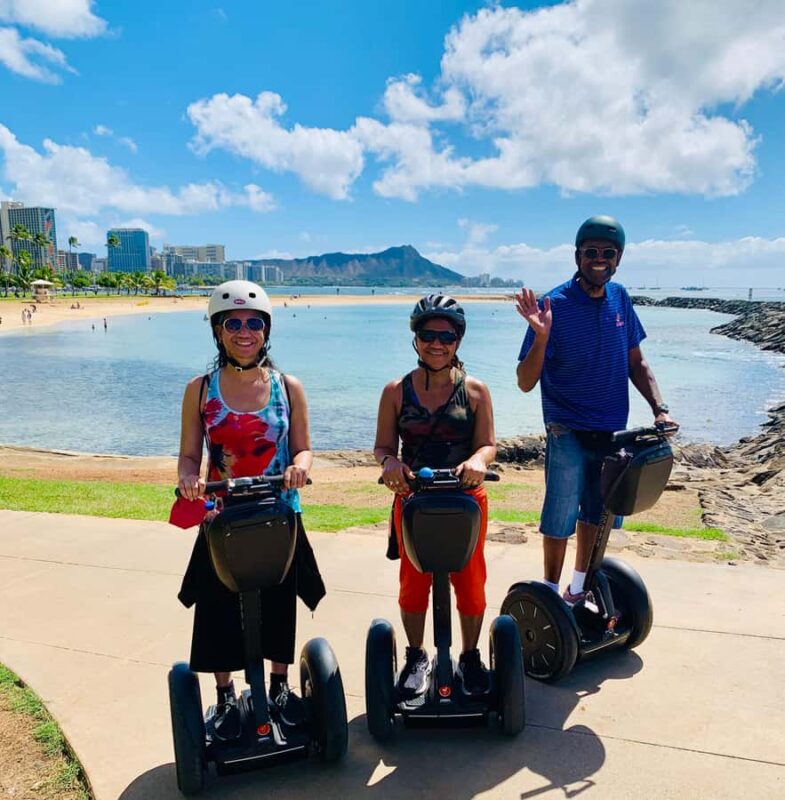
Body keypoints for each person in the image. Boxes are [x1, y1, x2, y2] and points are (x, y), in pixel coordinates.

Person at [173, 279, 325, 740]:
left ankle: (279, 688)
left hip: (278, 513)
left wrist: (299, 468)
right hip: (222, 517)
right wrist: (187, 479)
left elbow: (303, 449)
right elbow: (187, 454)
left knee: (279, 602)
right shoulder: (200, 391)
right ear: (218, 330)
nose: (245, 332)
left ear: (266, 329)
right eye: (233, 323)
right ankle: (223, 697)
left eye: (254, 323)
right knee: (218, 605)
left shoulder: (288, 386)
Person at [515, 215, 678, 604]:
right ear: (577, 256)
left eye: (608, 253)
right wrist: (541, 337)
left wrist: (660, 408)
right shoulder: (552, 305)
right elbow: (524, 381)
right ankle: (551, 594)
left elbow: (636, 362)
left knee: (597, 514)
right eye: (591, 252)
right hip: (566, 428)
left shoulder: (621, 298)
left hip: (611, 431)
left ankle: (578, 588)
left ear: (618, 258)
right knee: (560, 516)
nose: (599, 259)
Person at [374, 295, 497, 697]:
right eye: (428, 335)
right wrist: (390, 464)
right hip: (414, 499)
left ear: (458, 340)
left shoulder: (476, 391)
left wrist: (478, 461)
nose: (437, 343)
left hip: (466, 498)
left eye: (446, 336)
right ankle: (415, 656)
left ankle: (470, 657)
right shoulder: (396, 391)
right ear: (416, 338)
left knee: (471, 581)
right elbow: (382, 447)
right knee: (413, 581)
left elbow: (488, 445)